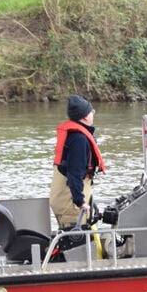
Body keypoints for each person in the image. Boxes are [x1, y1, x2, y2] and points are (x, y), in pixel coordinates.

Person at [50, 95, 106, 229]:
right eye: (91, 111)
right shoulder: (79, 140)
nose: (93, 113)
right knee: (75, 243)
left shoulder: (75, 136)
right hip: (70, 204)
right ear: (85, 117)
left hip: (66, 198)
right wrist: (80, 202)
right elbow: (75, 173)